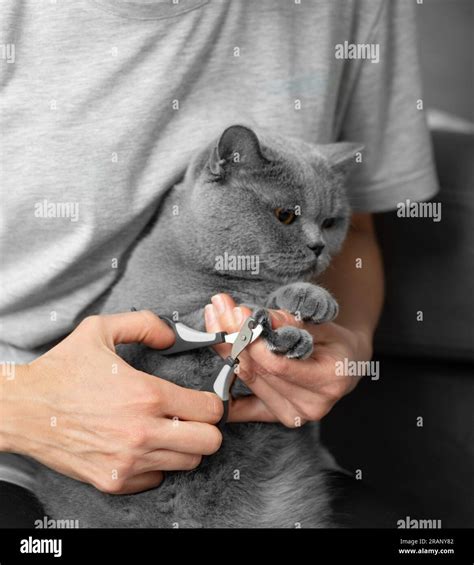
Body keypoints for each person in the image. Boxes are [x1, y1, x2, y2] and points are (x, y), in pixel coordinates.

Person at [0, 0, 437, 526]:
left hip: (259, 472)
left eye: (322, 227)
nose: (315, 244)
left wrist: (348, 346)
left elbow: (357, 226)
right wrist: (26, 410)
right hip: (30, 454)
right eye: (284, 216)